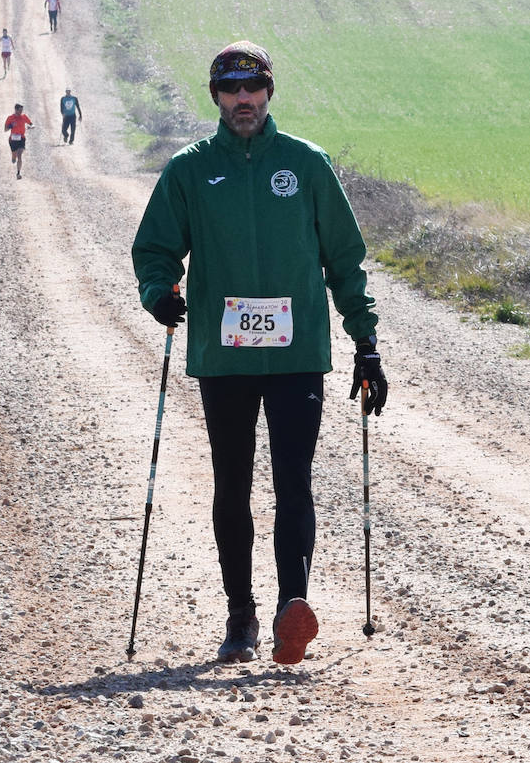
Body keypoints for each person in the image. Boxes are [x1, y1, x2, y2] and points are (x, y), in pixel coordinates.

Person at [132, 41, 389, 667]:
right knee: (232, 486)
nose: (243, 101)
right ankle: (240, 613)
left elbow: (345, 260)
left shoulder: (305, 165)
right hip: (225, 358)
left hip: (298, 353)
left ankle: (290, 609)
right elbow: (156, 248)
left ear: (269, 92)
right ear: (216, 97)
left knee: (295, 482)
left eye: (253, 89)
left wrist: (366, 341)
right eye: (231, 91)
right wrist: (158, 294)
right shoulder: (190, 170)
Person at [3, 102, 33, 179]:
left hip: (21, 139)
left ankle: (18, 173)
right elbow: (5, 129)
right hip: (12, 140)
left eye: (22, 110)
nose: (21, 112)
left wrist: (31, 126)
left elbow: (31, 124)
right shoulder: (10, 118)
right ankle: (13, 157)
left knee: (19, 155)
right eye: (19, 110)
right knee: (14, 156)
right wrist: (11, 125)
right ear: (15, 110)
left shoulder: (24, 117)